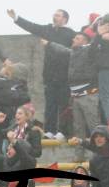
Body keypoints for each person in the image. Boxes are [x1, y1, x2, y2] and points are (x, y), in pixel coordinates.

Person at [8, 8, 76, 139]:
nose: (54, 17)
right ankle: (50, 131)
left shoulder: (71, 34)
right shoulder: (48, 29)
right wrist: (16, 18)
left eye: (58, 15)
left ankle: (62, 131)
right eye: (54, 14)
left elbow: (71, 51)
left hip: (64, 76)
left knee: (64, 105)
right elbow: (32, 27)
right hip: (49, 75)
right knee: (50, 105)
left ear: (65, 19)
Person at [43, 32, 99, 138]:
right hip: (75, 96)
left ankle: (100, 153)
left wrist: (99, 33)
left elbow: (96, 43)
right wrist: (50, 44)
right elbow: (62, 49)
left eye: (77, 38)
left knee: (94, 126)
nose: (73, 39)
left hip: (88, 95)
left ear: (84, 42)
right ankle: (80, 153)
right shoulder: (73, 52)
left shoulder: (89, 51)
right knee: (78, 129)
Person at [0, 61, 31, 151]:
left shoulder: (3, 85)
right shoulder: (6, 87)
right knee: (2, 157)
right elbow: (22, 98)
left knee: (3, 157)